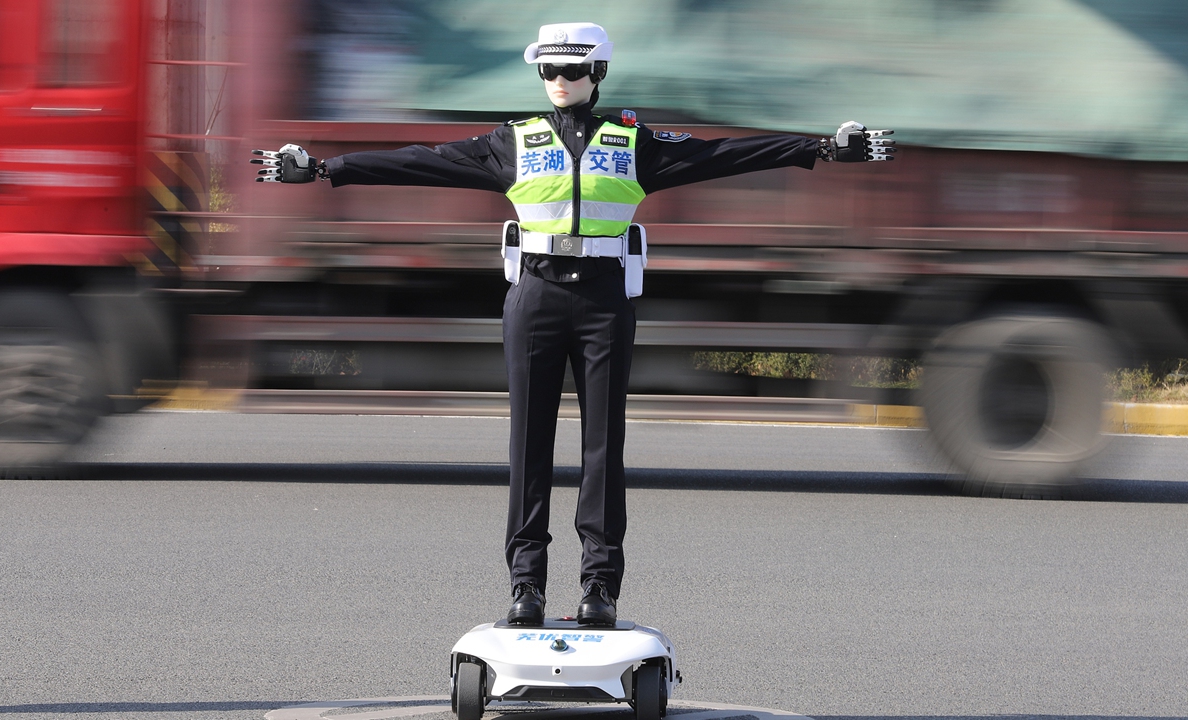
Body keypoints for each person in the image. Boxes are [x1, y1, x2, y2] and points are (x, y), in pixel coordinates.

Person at [252, 21, 894, 628]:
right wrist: (326, 168)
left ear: (599, 72)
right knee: (528, 444)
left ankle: (599, 587)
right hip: (535, 296)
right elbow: (421, 160)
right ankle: (526, 585)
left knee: (603, 446)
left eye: (572, 69)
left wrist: (821, 149)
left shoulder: (635, 141)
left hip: (603, 300)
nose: (559, 80)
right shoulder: (512, 140)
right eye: (548, 70)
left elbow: (725, 154)